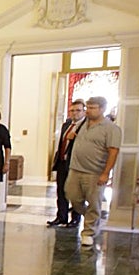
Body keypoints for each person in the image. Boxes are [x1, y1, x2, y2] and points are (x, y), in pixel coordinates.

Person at [64, 95, 122, 248]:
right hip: (75, 169)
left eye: (92, 108)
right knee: (72, 196)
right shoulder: (83, 124)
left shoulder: (111, 129)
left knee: (94, 203)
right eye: (87, 108)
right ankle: (92, 217)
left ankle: (88, 232)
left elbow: (113, 152)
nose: (88, 111)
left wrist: (106, 173)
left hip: (94, 172)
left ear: (102, 109)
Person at [48, 99, 87, 228]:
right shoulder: (67, 124)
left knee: (76, 193)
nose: (75, 113)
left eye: (78, 110)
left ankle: (75, 218)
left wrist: (76, 138)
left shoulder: (87, 126)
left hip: (76, 164)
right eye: (72, 110)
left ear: (84, 111)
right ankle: (61, 217)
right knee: (61, 191)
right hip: (62, 162)